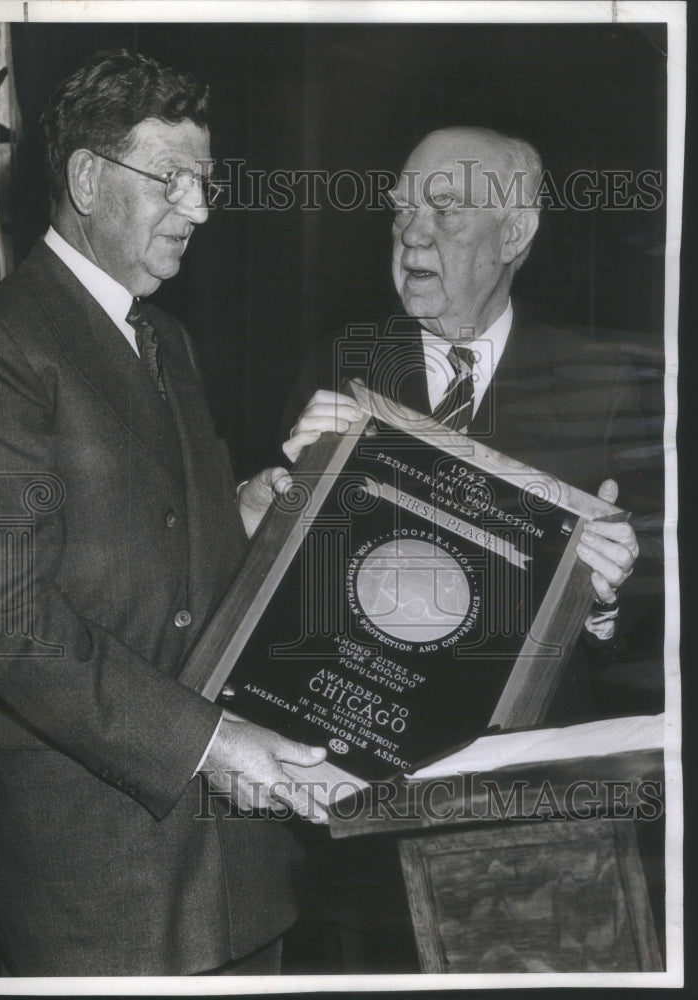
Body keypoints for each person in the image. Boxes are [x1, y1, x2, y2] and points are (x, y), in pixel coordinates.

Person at [0, 49, 329, 977]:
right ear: (86, 179)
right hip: (104, 881)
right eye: (173, 181)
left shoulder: (167, 338)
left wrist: (245, 514)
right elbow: (3, 619)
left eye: (206, 183)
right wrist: (211, 741)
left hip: (236, 872)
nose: (201, 209)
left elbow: (153, 540)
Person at [281, 126, 663, 971]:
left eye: (445, 211)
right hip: (365, 843)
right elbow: (282, 608)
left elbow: (651, 636)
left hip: (535, 848)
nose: (412, 236)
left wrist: (604, 604)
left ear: (515, 234)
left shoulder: (601, 383)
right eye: (400, 211)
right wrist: (287, 501)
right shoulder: (339, 369)